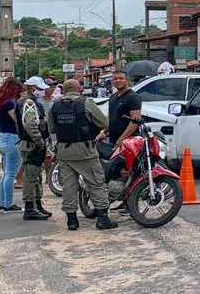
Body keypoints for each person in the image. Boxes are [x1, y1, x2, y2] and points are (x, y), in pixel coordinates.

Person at [48, 79, 117, 231]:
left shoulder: (55, 107)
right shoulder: (86, 103)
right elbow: (104, 123)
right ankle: (102, 218)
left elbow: (52, 128)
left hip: (64, 152)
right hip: (85, 151)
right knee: (96, 183)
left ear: (64, 90)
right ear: (79, 88)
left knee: (69, 186)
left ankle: (72, 221)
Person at [105, 70, 142, 215]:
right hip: (115, 141)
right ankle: (124, 201)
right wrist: (105, 132)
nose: (118, 81)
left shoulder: (133, 97)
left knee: (130, 173)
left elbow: (135, 122)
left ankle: (130, 204)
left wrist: (122, 138)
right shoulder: (113, 97)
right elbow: (113, 119)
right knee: (118, 173)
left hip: (129, 143)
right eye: (115, 79)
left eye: (121, 78)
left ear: (127, 80)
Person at [16, 77, 52, 221]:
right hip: (32, 145)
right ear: (32, 88)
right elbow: (31, 125)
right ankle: (30, 208)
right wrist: (39, 141)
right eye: (40, 89)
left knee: (36, 176)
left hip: (31, 144)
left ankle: (37, 205)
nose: (43, 91)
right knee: (31, 177)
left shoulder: (27, 102)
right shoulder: (29, 103)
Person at [0, 78, 24, 212]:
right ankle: (8, 204)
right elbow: (17, 120)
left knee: (6, 174)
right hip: (12, 139)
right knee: (11, 175)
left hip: (3, 138)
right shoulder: (10, 104)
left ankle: (3, 202)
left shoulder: (0, 103)